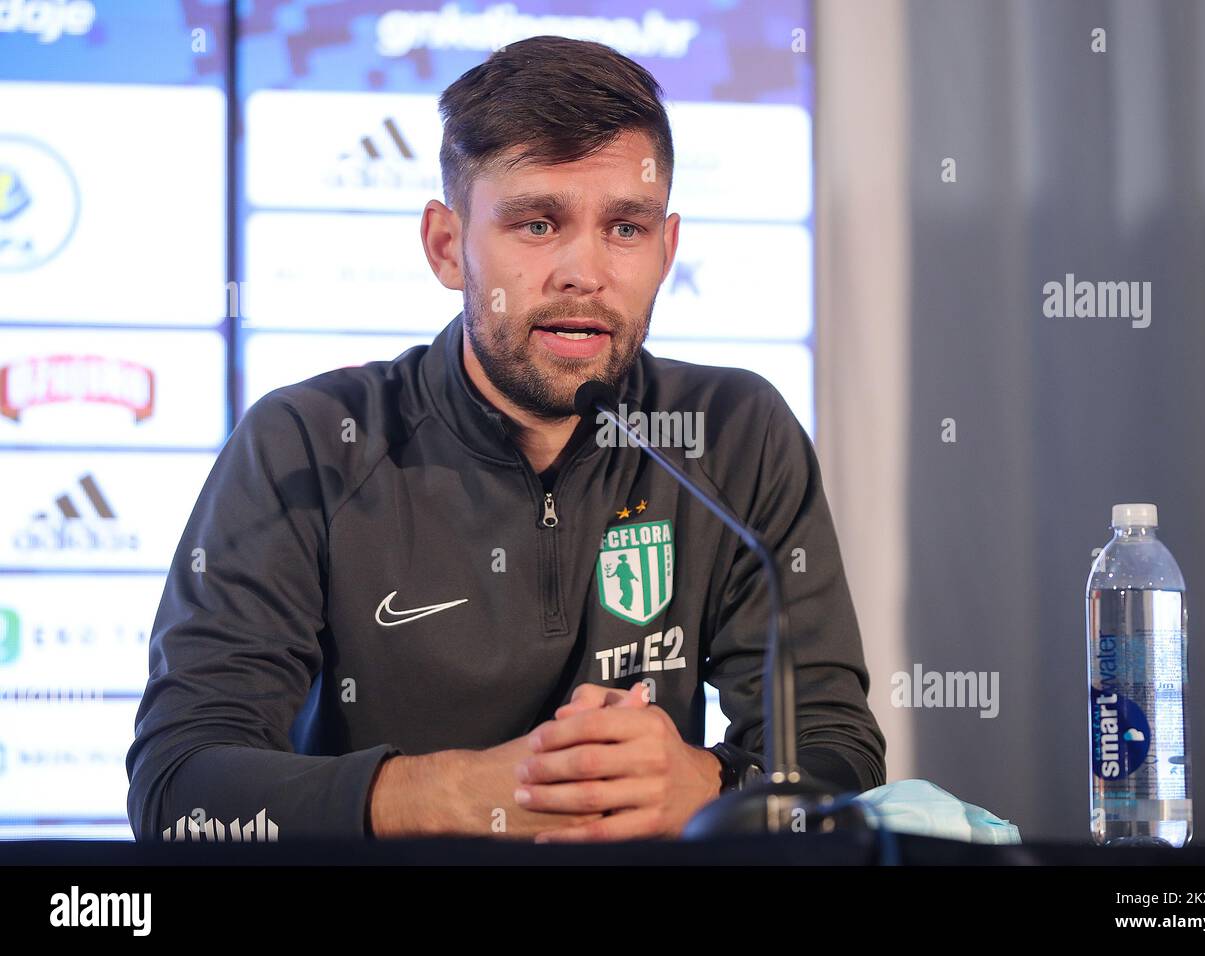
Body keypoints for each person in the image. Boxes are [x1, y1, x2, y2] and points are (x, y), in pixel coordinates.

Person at [126, 34, 886, 843]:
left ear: (666, 252)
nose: (583, 273)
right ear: (447, 247)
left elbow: (839, 755)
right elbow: (181, 790)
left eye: (624, 229)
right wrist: (456, 791)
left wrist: (706, 783)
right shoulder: (307, 444)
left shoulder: (735, 433)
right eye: (536, 224)